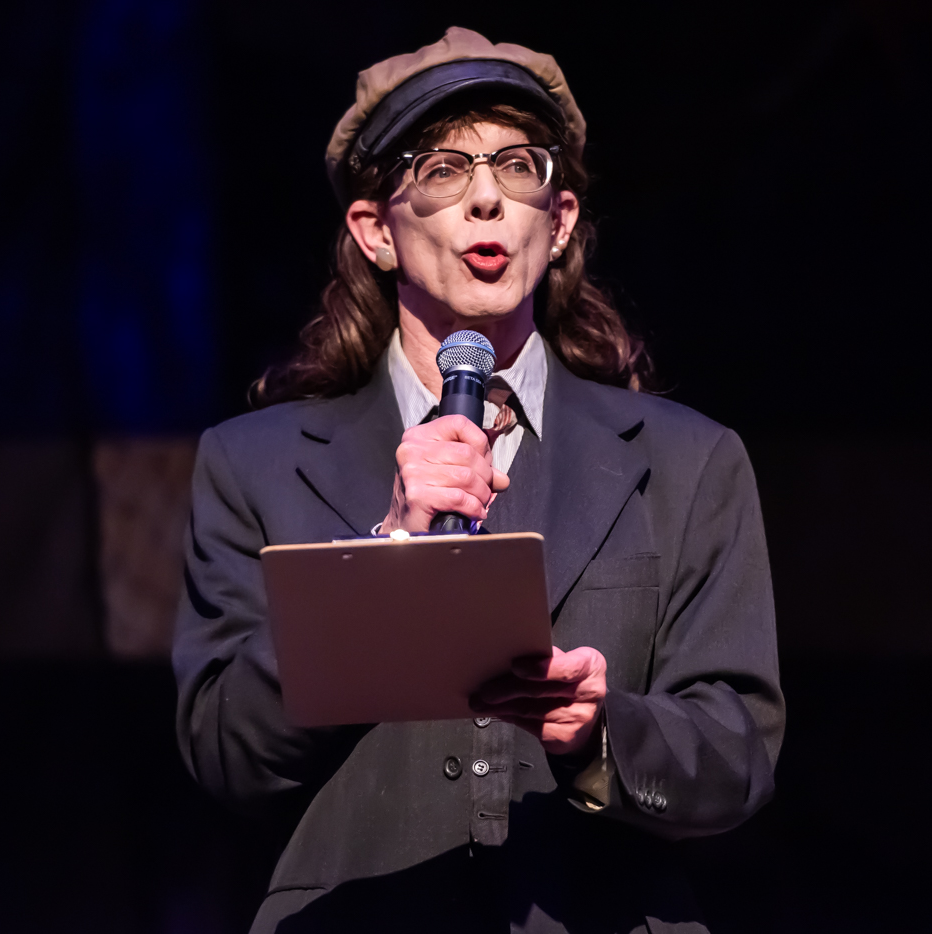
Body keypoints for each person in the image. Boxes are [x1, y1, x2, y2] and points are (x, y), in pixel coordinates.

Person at [173, 27, 784, 933]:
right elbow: (227, 753)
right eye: (443, 169)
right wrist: (384, 554)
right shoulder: (253, 465)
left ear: (560, 222)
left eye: (517, 166)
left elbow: (737, 758)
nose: (488, 198)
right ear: (376, 231)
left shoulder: (687, 462)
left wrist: (598, 734)